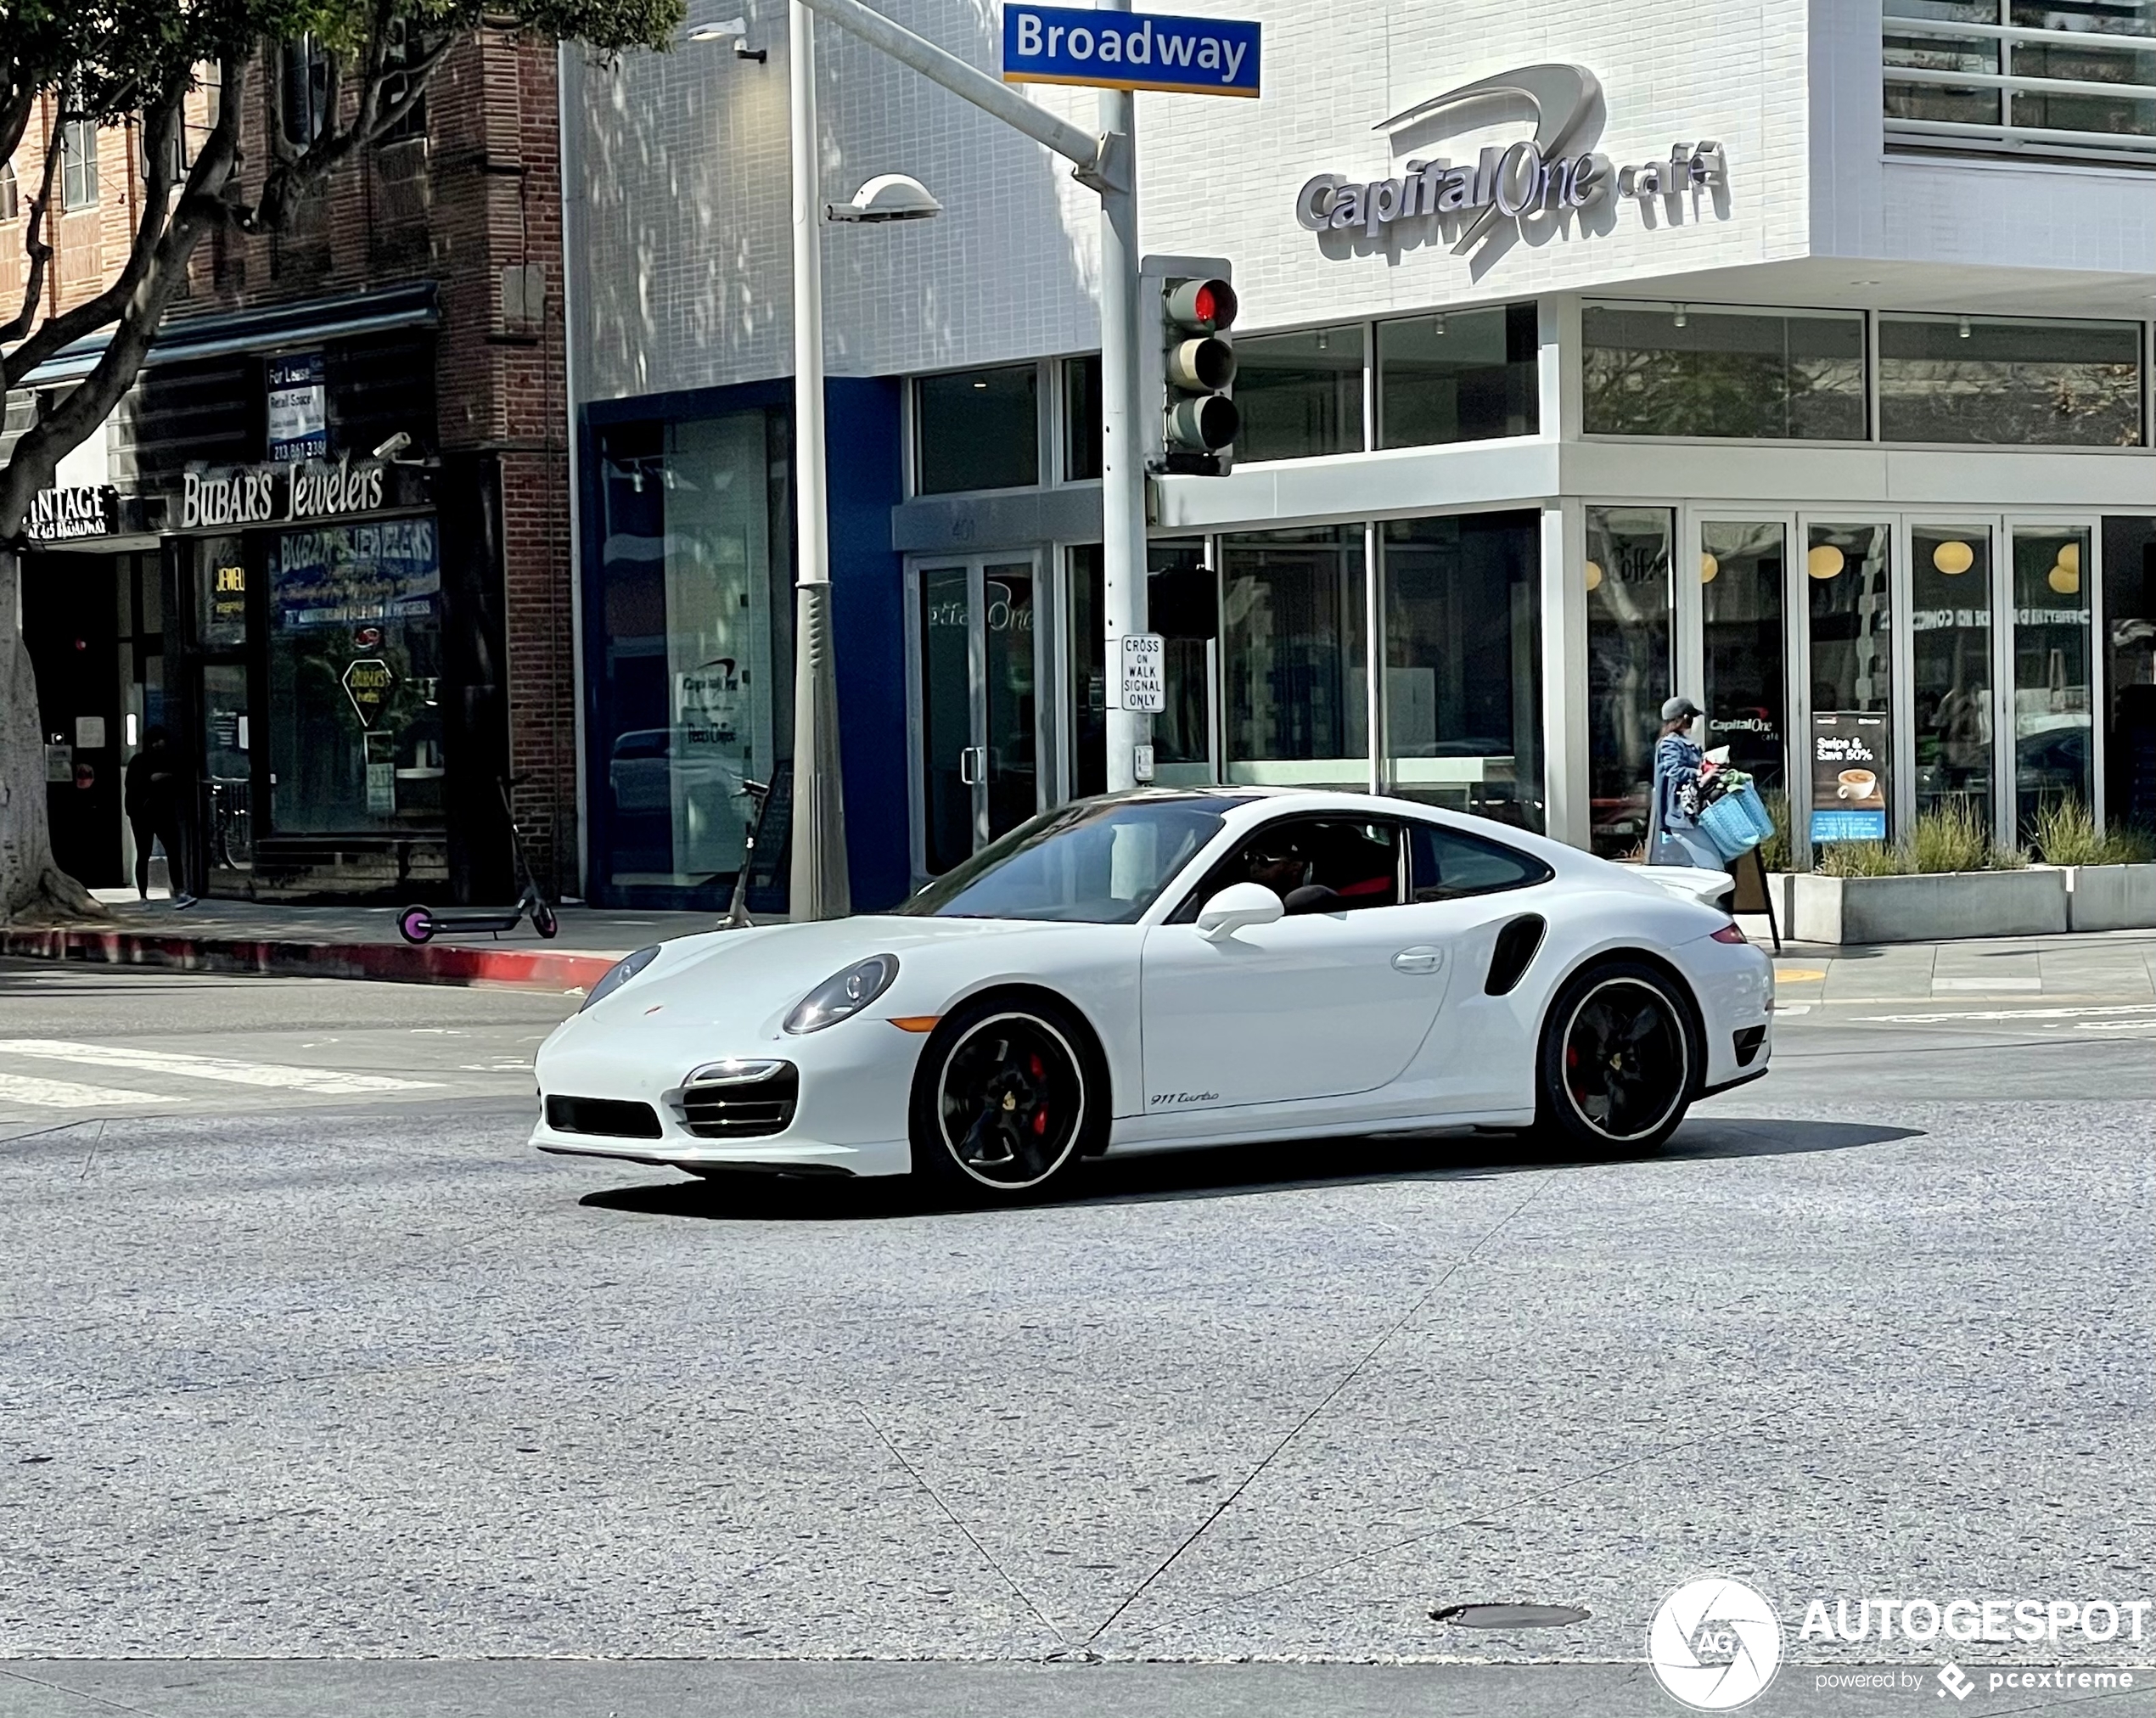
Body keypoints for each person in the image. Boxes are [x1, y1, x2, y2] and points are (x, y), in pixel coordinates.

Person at [123, 727, 195, 907]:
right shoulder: (139, 761)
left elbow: (181, 782)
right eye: (156, 741)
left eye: (161, 740)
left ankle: (179, 891)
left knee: (173, 852)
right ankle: (144, 895)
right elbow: (133, 785)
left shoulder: (169, 760)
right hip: (144, 814)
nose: (159, 744)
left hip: (163, 811)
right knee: (144, 853)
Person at [1646, 696, 1721, 868]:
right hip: (1682, 816)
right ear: (1685, 718)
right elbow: (1675, 771)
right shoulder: (1670, 744)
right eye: (1692, 718)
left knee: (1705, 864)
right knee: (1712, 866)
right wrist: (1701, 774)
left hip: (1693, 814)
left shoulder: (1685, 743)